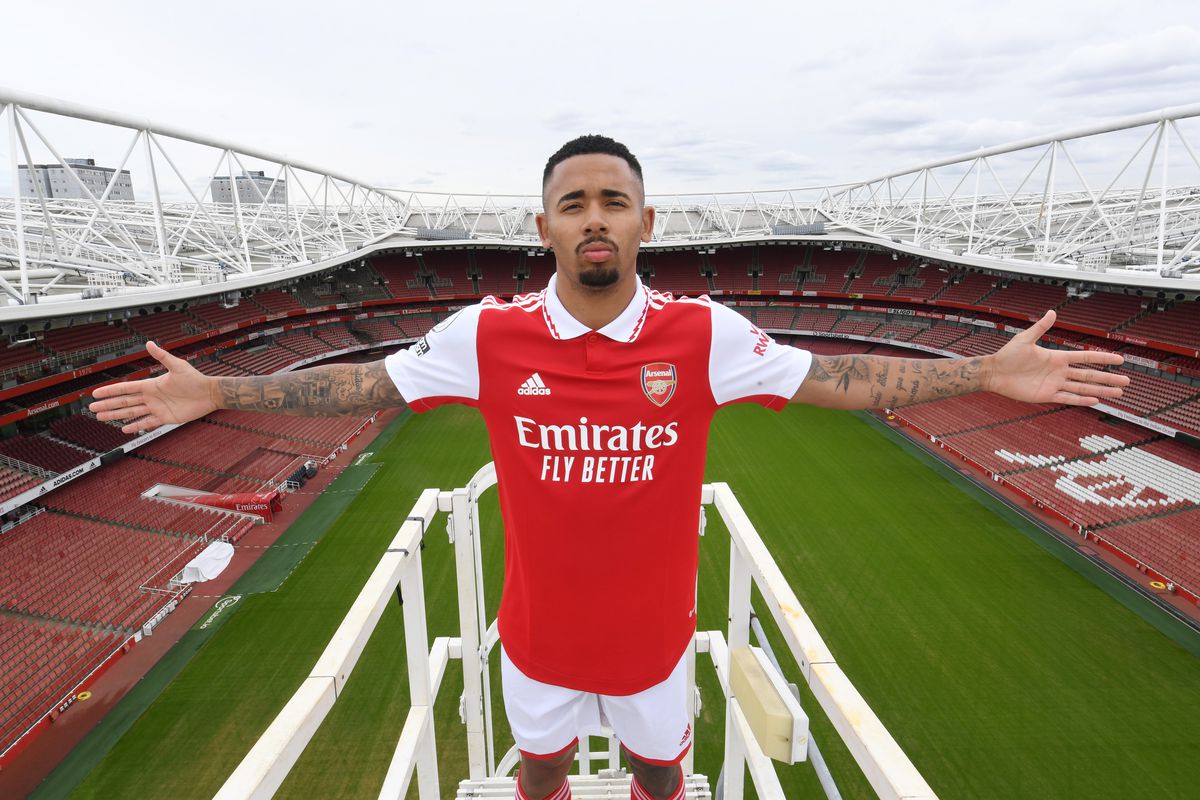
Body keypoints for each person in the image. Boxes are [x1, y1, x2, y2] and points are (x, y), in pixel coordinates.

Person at [91, 135, 1128, 800]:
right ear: (543, 225)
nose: (596, 215)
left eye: (615, 200)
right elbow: (364, 385)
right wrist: (218, 389)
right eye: (575, 200)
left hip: (655, 641)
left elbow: (839, 379)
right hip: (537, 637)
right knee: (539, 767)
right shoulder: (486, 335)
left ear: (645, 222)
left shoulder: (703, 334)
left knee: (662, 773)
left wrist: (987, 371)